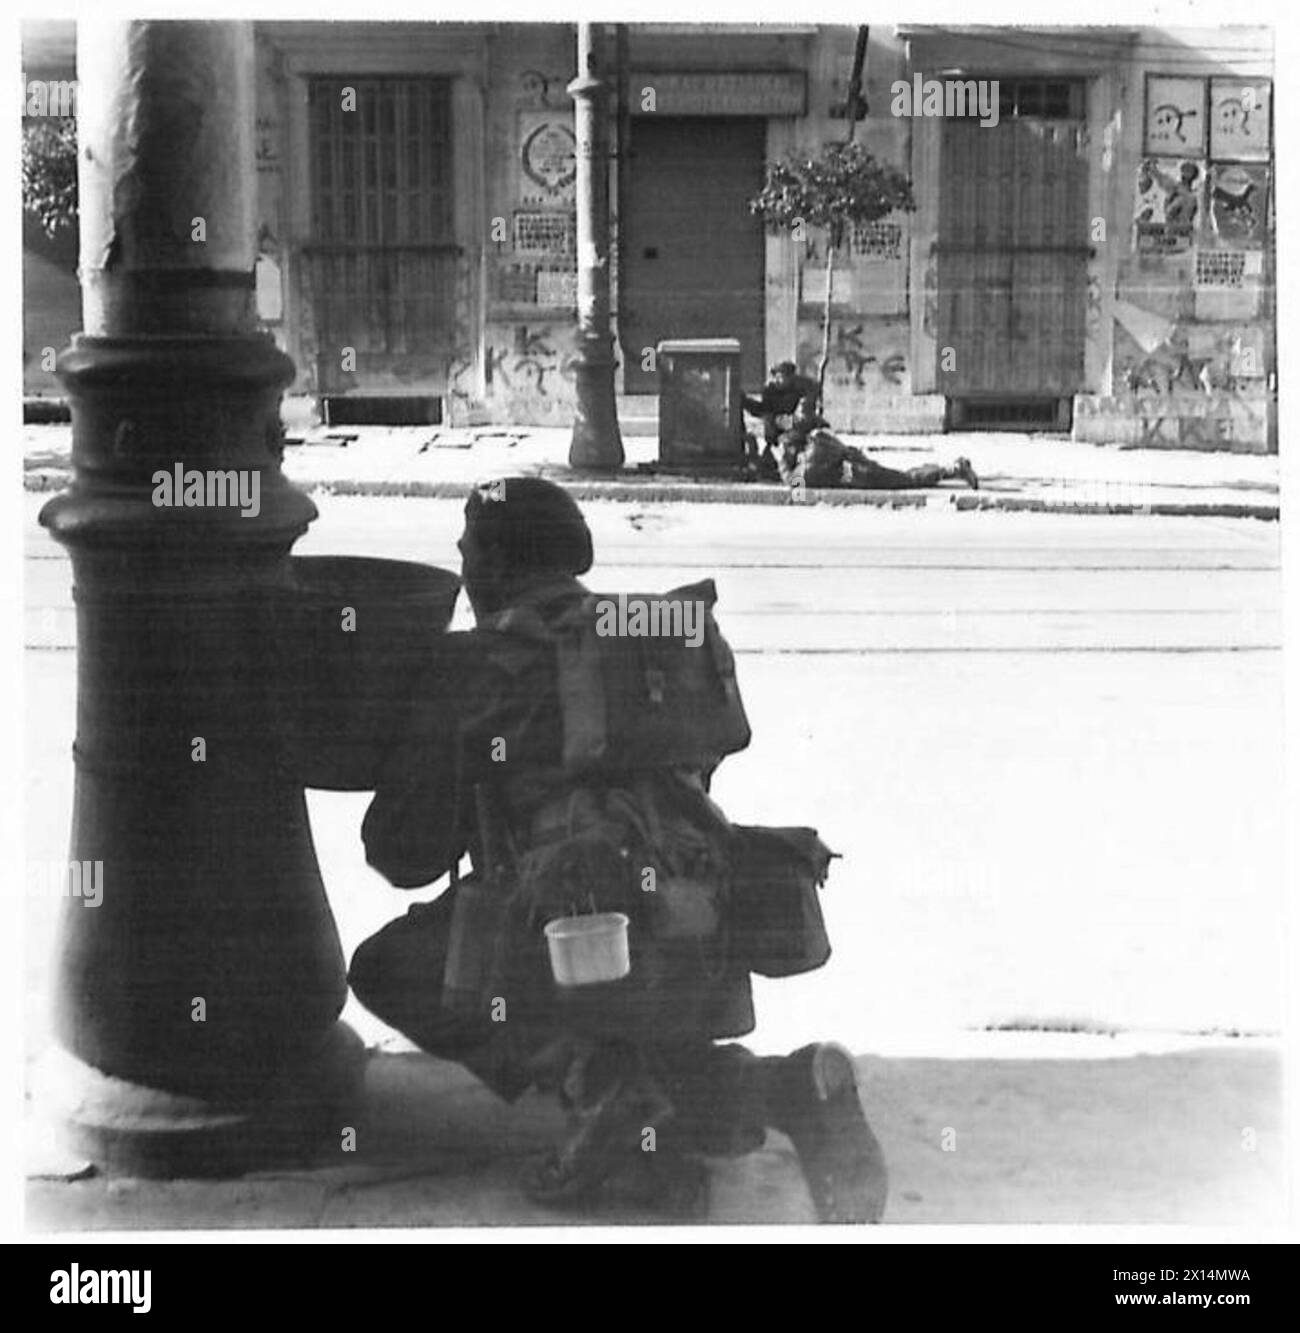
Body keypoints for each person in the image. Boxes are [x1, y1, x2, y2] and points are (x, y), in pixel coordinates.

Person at [348, 477, 888, 1221]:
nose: (465, 568)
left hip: (573, 939)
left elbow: (401, 851)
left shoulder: (475, 662)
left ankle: (595, 1082)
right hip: (705, 919)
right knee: (671, 1075)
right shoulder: (645, 636)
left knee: (384, 965)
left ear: (497, 563)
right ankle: (794, 1087)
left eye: (469, 551)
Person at [779, 409, 979, 492]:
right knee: (903, 476)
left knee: (907, 480)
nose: (783, 453)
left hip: (860, 475)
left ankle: (952, 468)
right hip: (858, 465)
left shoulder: (808, 462)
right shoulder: (818, 439)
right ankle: (946, 468)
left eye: (785, 449)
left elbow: (795, 485)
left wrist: (783, 465)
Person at [742, 361, 823, 477]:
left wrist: (777, 421)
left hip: (798, 438)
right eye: (775, 376)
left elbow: (803, 419)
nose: (777, 380)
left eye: (781, 376)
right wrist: (745, 402)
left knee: (795, 468)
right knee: (765, 468)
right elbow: (763, 410)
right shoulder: (771, 391)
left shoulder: (803, 389)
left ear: (791, 376)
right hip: (777, 439)